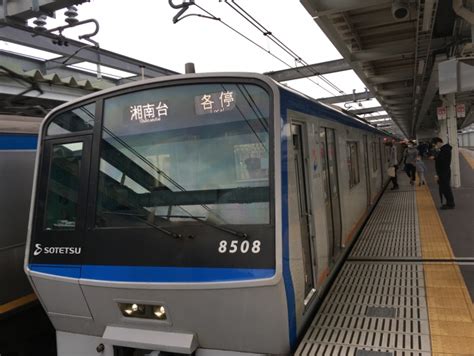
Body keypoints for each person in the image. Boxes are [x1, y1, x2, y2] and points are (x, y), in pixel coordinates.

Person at [431, 137, 455, 209]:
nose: (435, 146)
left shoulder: (445, 150)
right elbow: (442, 160)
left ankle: (450, 204)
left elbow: (443, 162)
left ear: (438, 142)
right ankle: (449, 202)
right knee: (445, 188)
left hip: (444, 172)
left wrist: (435, 158)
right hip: (443, 172)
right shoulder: (444, 149)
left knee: (446, 188)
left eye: (435, 144)